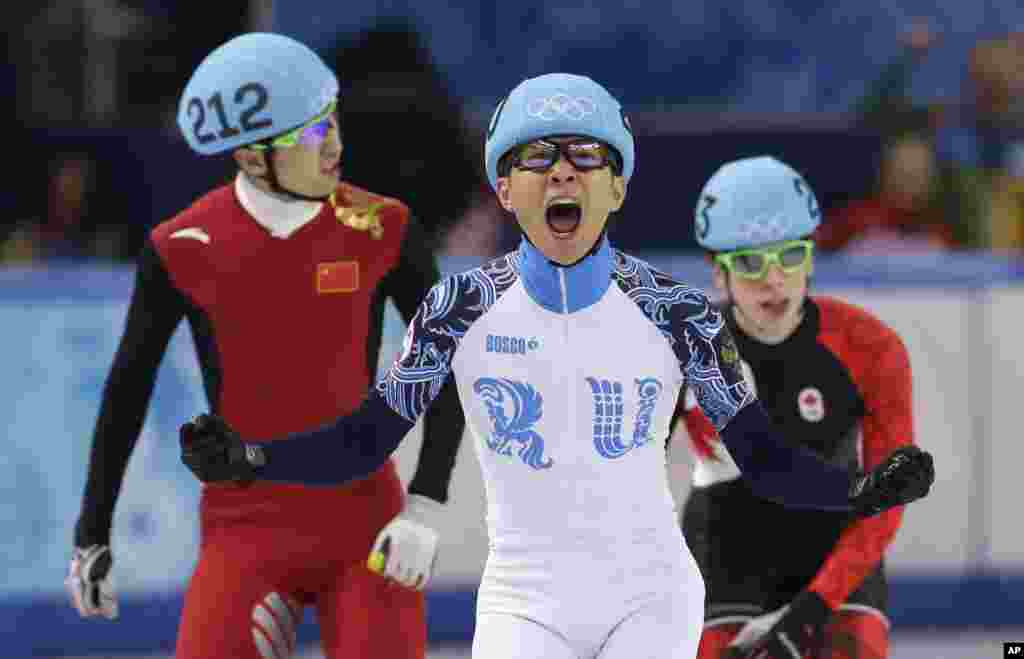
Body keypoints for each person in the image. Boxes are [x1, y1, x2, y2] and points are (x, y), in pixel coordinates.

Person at [178, 73, 934, 659]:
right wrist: (252, 456)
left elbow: (765, 461)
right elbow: (365, 439)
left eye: (587, 155)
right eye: (538, 156)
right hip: (522, 601)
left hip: (652, 595)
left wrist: (859, 487)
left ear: (619, 186)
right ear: (505, 189)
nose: (564, 171)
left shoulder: (681, 314)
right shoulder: (457, 307)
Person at [65, 32, 466, 659]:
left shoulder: (384, 227)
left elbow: (446, 368)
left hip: (364, 524)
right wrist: (92, 534)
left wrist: (425, 503)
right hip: (243, 529)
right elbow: (127, 390)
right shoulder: (181, 246)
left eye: (333, 122)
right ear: (252, 158)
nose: (335, 145)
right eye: (311, 134)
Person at [678, 156, 917, 659]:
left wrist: (809, 611)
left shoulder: (871, 346)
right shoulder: (684, 354)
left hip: (833, 542)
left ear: (811, 259)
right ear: (717, 273)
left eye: (790, 255)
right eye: (749, 262)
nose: (773, 280)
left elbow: (885, 500)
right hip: (726, 550)